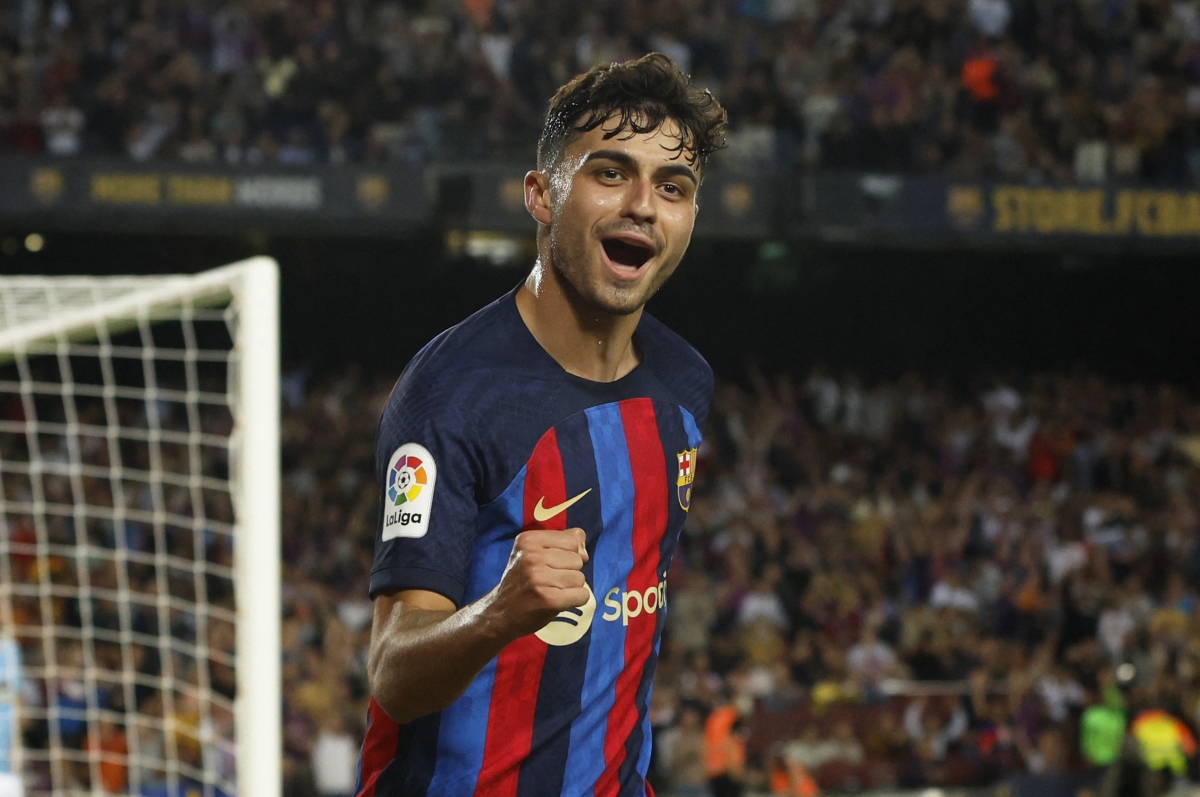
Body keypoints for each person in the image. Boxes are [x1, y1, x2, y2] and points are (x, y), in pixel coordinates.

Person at [356, 52, 727, 797]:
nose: (643, 205)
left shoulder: (685, 385)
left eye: (672, 186)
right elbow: (393, 673)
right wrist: (500, 612)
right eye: (610, 173)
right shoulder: (452, 393)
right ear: (542, 195)